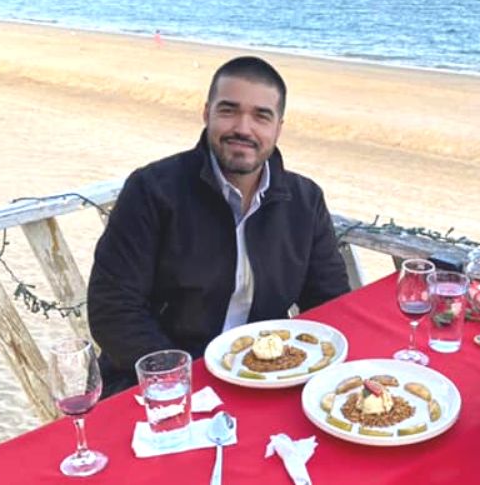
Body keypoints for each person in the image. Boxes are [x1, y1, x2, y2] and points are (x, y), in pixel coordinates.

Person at [88, 56, 351, 396]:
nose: (243, 128)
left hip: (265, 379)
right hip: (161, 383)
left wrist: (301, 368)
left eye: (261, 115)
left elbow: (328, 306)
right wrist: (180, 379)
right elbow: (113, 309)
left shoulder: (304, 200)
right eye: (228, 110)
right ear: (206, 113)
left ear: (278, 127)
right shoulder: (152, 190)